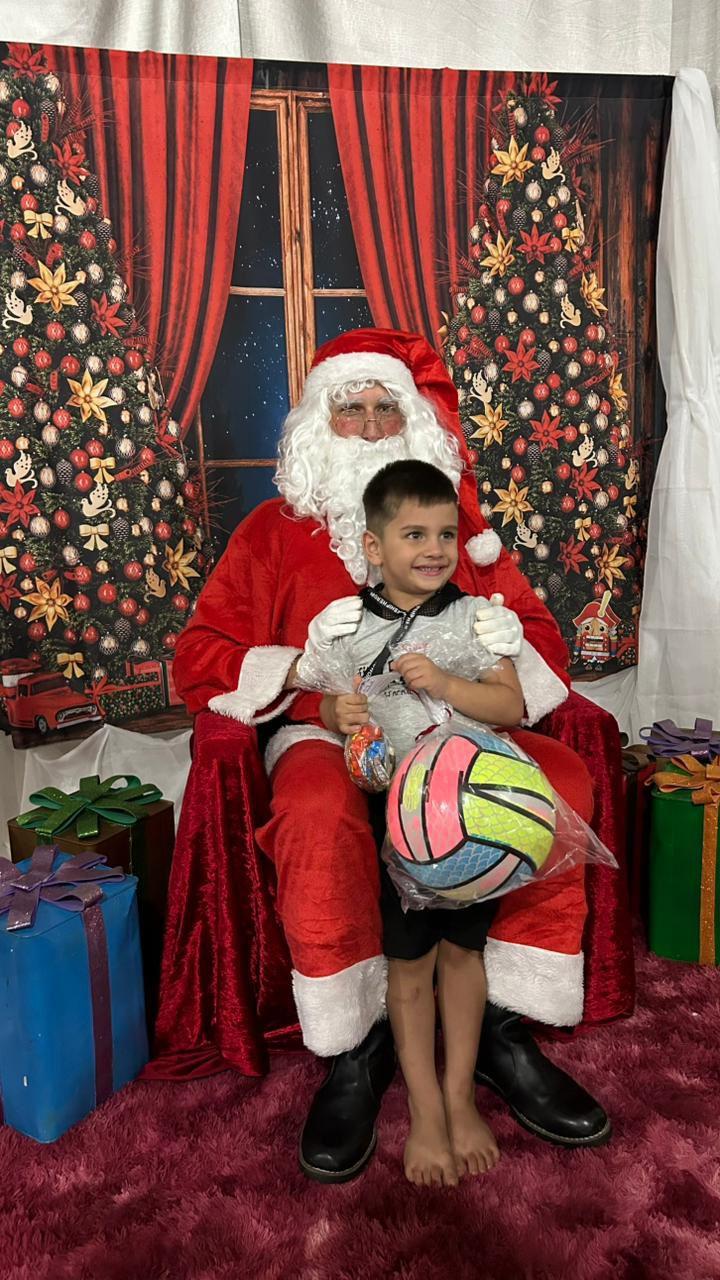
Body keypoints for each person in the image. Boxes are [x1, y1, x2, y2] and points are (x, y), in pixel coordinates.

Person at [173, 327, 611, 1185]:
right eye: (353, 409)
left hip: (455, 727)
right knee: (315, 808)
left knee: (560, 777)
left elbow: (538, 647)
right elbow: (200, 654)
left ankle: (503, 1027)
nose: (373, 426)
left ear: (414, 422)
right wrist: (304, 676)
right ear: (318, 422)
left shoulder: (461, 535)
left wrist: (504, 644)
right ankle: (355, 1043)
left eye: (388, 408)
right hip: (327, 729)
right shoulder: (272, 533)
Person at [308, 458, 526, 1186]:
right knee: (409, 966)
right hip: (399, 827)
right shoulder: (349, 625)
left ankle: (460, 1096)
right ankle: (426, 1110)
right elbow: (323, 702)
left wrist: (448, 682)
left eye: (445, 534)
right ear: (373, 547)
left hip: (474, 825)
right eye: (413, 535)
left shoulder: (473, 618)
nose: (434, 550)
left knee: (464, 956)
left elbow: (510, 707)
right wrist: (334, 711)